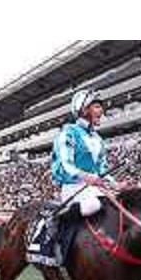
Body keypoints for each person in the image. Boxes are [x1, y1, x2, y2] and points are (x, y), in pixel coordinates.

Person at [50, 89, 122, 228]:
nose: (101, 111)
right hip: (73, 187)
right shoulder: (68, 132)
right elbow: (65, 164)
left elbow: (101, 169)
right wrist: (86, 177)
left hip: (93, 188)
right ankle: (57, 220)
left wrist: (115, 184)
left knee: (120, 202)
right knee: (93, 205)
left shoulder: (98, 139)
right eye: (96, 106)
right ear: (83, 110)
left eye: (101, 107)